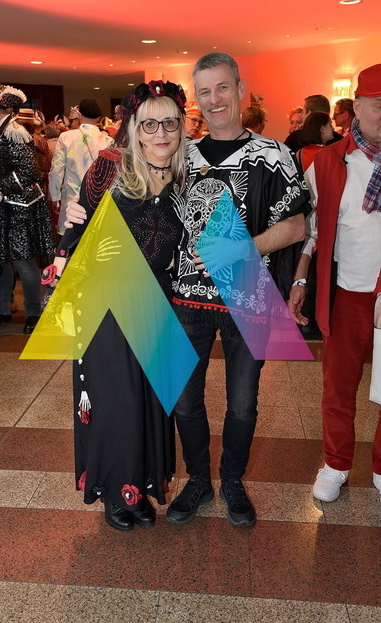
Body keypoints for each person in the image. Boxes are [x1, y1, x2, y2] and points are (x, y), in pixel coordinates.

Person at [66, 54, 309, 528]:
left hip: (247, 293)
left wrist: (242, 249)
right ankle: (198, 479)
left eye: (223, 88)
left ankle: (232, 481)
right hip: (182, 298)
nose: (214, 100)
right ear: (194, 99)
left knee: (243, 404)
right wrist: (82, 214)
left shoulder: (274, 153)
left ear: (241, 90)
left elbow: (298, 225)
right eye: (204, 91)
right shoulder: (182, 154)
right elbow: (129, 190)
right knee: (181, 400)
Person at [49, 80, 188, 531]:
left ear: (181, 126)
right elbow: (76, 227)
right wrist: (69, 229)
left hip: (158, 299)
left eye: (170, 122)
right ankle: (115, 492)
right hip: (107, 300)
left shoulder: (188, 178)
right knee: (117, 399)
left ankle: (140, 486)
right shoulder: (111, 168)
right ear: (134, 128)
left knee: (150, 400)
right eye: (149, 124)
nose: (161, 133)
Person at [288, 63, 381, 501]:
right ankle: (336, 463)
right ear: (357, 107)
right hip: (347, 292)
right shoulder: (328, 161)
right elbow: (312, 228)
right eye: (379, 105)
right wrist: (300, 277)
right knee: (339, 385)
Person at [0, 80, 55, 335]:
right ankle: (1, 310)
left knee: (23, 261)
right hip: (3, 209)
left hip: (20, 208)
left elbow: (29, 171)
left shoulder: (14, 132)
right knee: (3, 260)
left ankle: (34, 312)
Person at [48, 99, 112, 235]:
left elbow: (57, 170)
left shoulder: (66, 137)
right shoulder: (108, 141)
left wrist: (55, 196)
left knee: (71, 238)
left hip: (72, 200)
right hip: (99, 200)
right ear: (98, 118)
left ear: (80, 115)